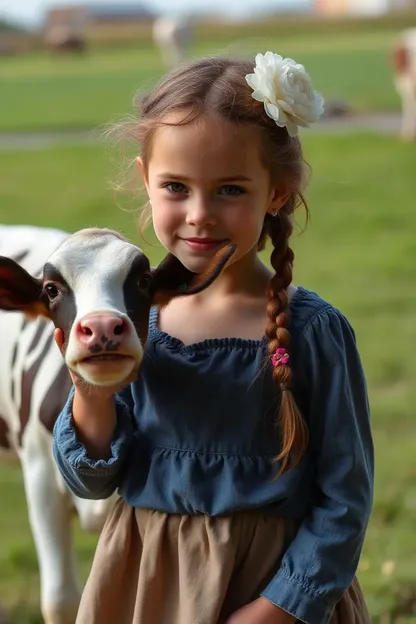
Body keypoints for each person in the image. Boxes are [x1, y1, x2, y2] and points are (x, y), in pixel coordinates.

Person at [52, 52, 374, 624]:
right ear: (145, 180)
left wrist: (280, 608)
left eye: (229, 190)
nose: (199, 215)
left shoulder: (312, 331)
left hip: (276, 593)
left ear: (275, 192)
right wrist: (92, 396)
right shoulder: (130, 322)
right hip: (146, 586)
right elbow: (93, 480)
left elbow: (345, 498)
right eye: (176, 187)